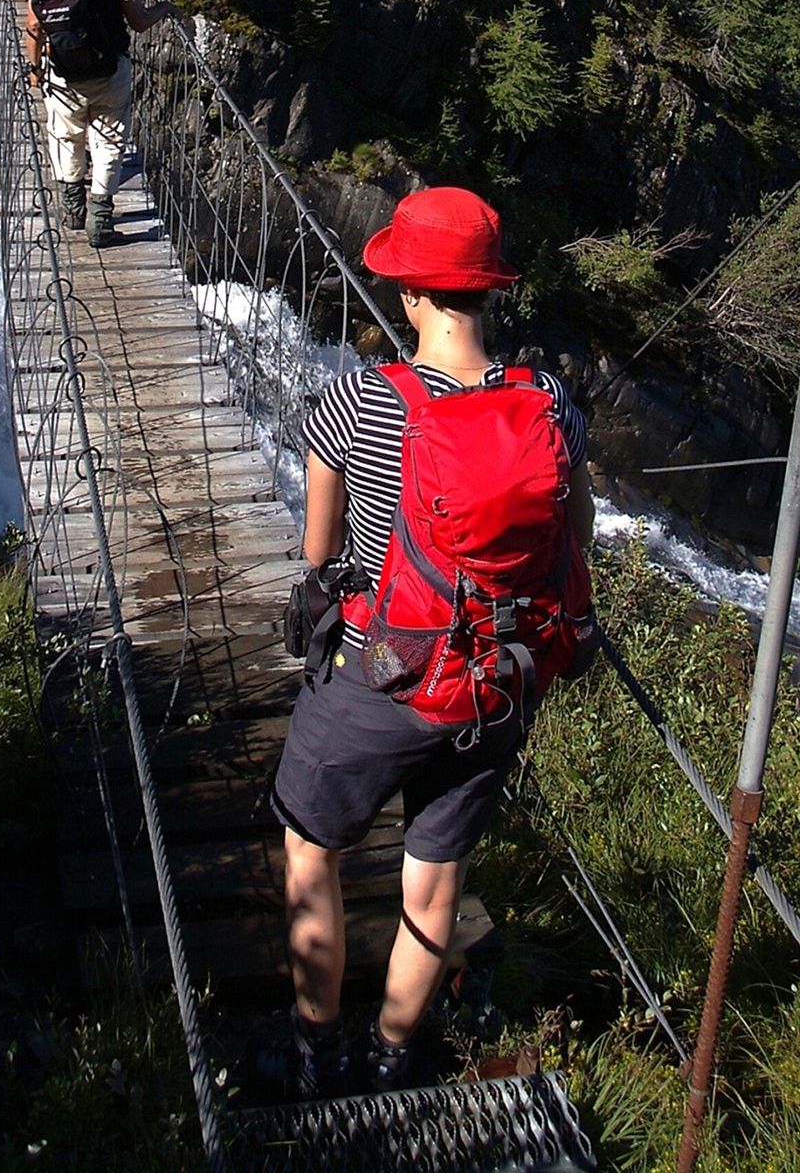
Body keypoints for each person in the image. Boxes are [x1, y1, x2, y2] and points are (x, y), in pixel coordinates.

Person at [264, 187, 594, 1098]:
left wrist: (322, 571)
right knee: (435, 883)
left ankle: (314, 1052)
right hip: (496, 677)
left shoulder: (361, 400)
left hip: (384, 674)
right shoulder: (550, 404)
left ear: (410, 292)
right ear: (489, 293)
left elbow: (321, 536)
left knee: (309, 853)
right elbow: (579, 534)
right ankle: (392, 1053)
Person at [0, 0, 173, 246]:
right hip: (109, 70)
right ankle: (101, 218)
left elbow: (33, 26)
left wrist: (34, 68)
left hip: (62, 70)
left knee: (65, 136)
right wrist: (165, 8)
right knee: (109, 142)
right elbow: (138, 22)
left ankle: (73, 208)